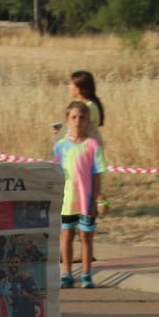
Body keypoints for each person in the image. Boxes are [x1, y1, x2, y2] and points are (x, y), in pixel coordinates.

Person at [55, 100, 105, 288]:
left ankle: (86, 274)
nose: (78, 121)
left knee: (86, 238)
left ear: (87, 121)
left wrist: (96, 199)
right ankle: (66, 273)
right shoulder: (60, 146)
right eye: (73, 117)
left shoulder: (93, 146)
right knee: (66, 237)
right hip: (66, 201)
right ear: (67, 120)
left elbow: (97, 174)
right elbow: (56, 172)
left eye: (82, 118)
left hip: (86, 200)